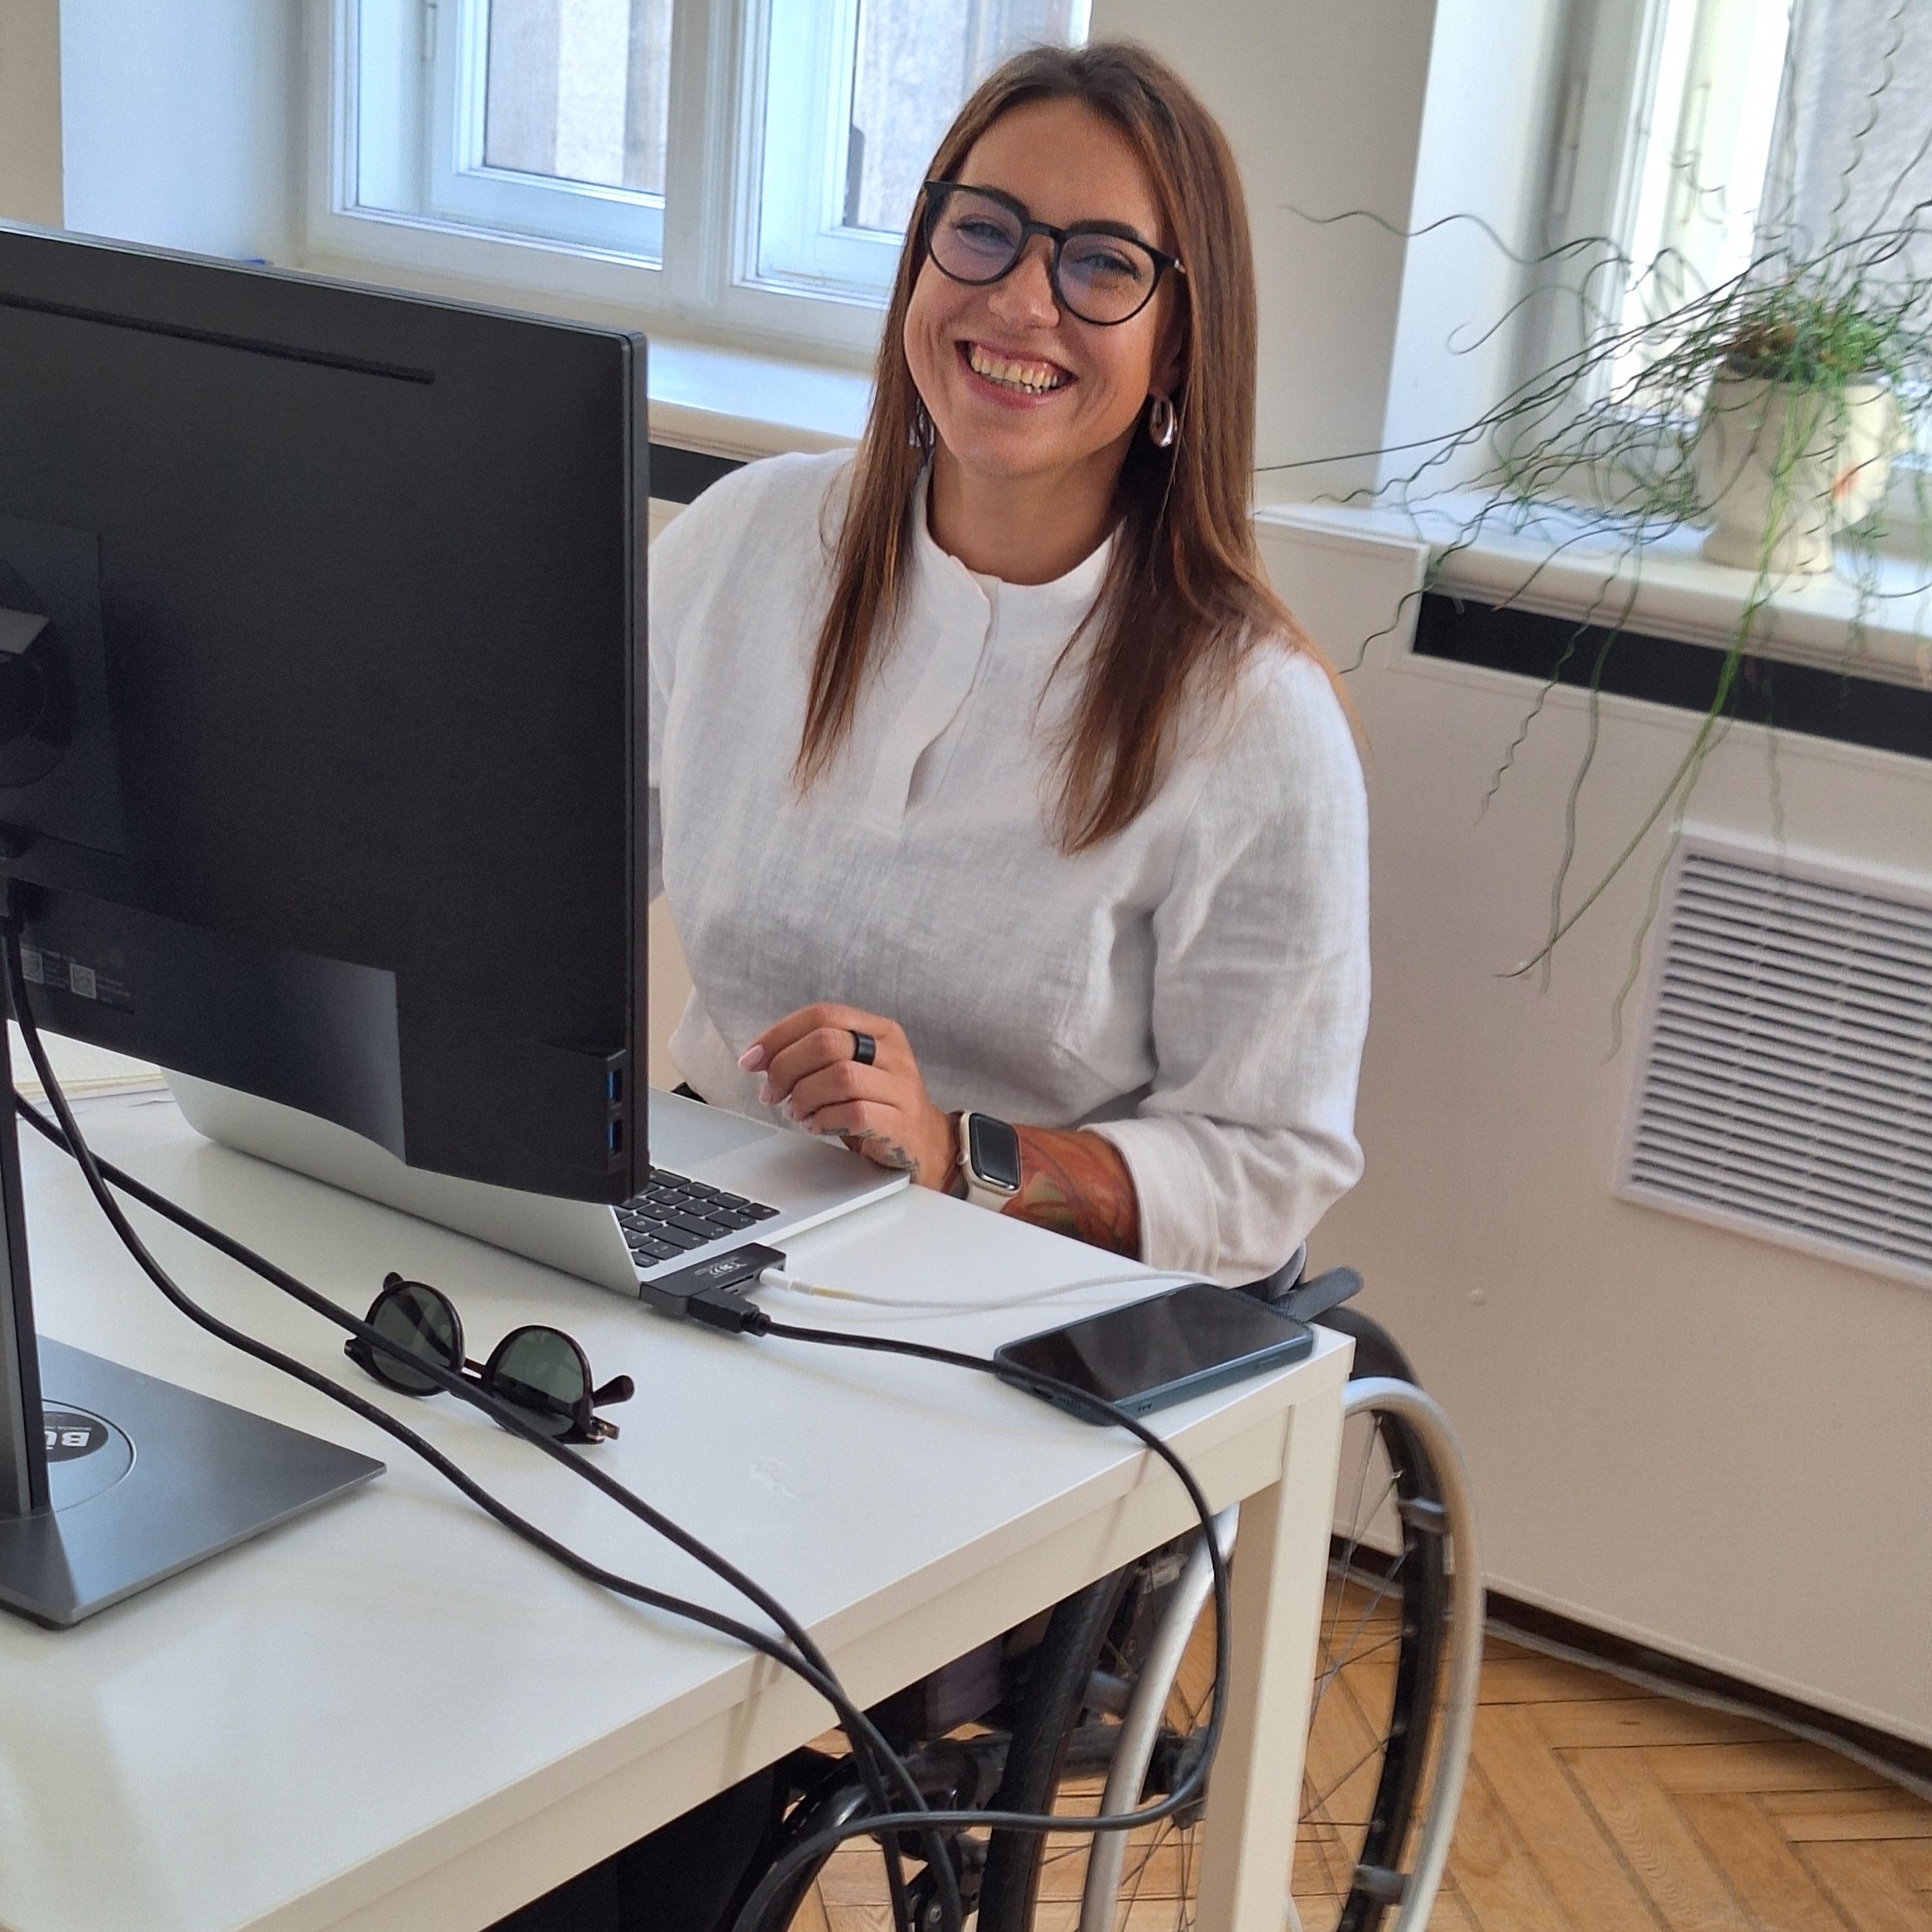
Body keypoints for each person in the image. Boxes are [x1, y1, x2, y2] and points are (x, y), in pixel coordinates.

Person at [494, 36, 1368, 1932]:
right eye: (981, 232)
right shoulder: (748, 550)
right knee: (446, 1555)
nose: (1017, 299)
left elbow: (1276, 1160)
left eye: (1096, 262)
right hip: (695, 1242)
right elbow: (548, 866)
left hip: (995, 1369)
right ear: (914, 267)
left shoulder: (1246, 717)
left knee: (611, 1716)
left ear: (1175, 343)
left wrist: (966, 1148)